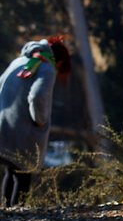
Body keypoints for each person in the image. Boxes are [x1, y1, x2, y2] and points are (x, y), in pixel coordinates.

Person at [0, 37, 71, 207]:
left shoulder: (20, 61)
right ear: (58, 60)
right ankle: (18, 218)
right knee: (24, 175)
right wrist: (40, 120)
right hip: (23, 132)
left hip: (4, 126)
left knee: (10, 171)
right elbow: (38, 97)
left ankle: (5, 215)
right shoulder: (47, 68)